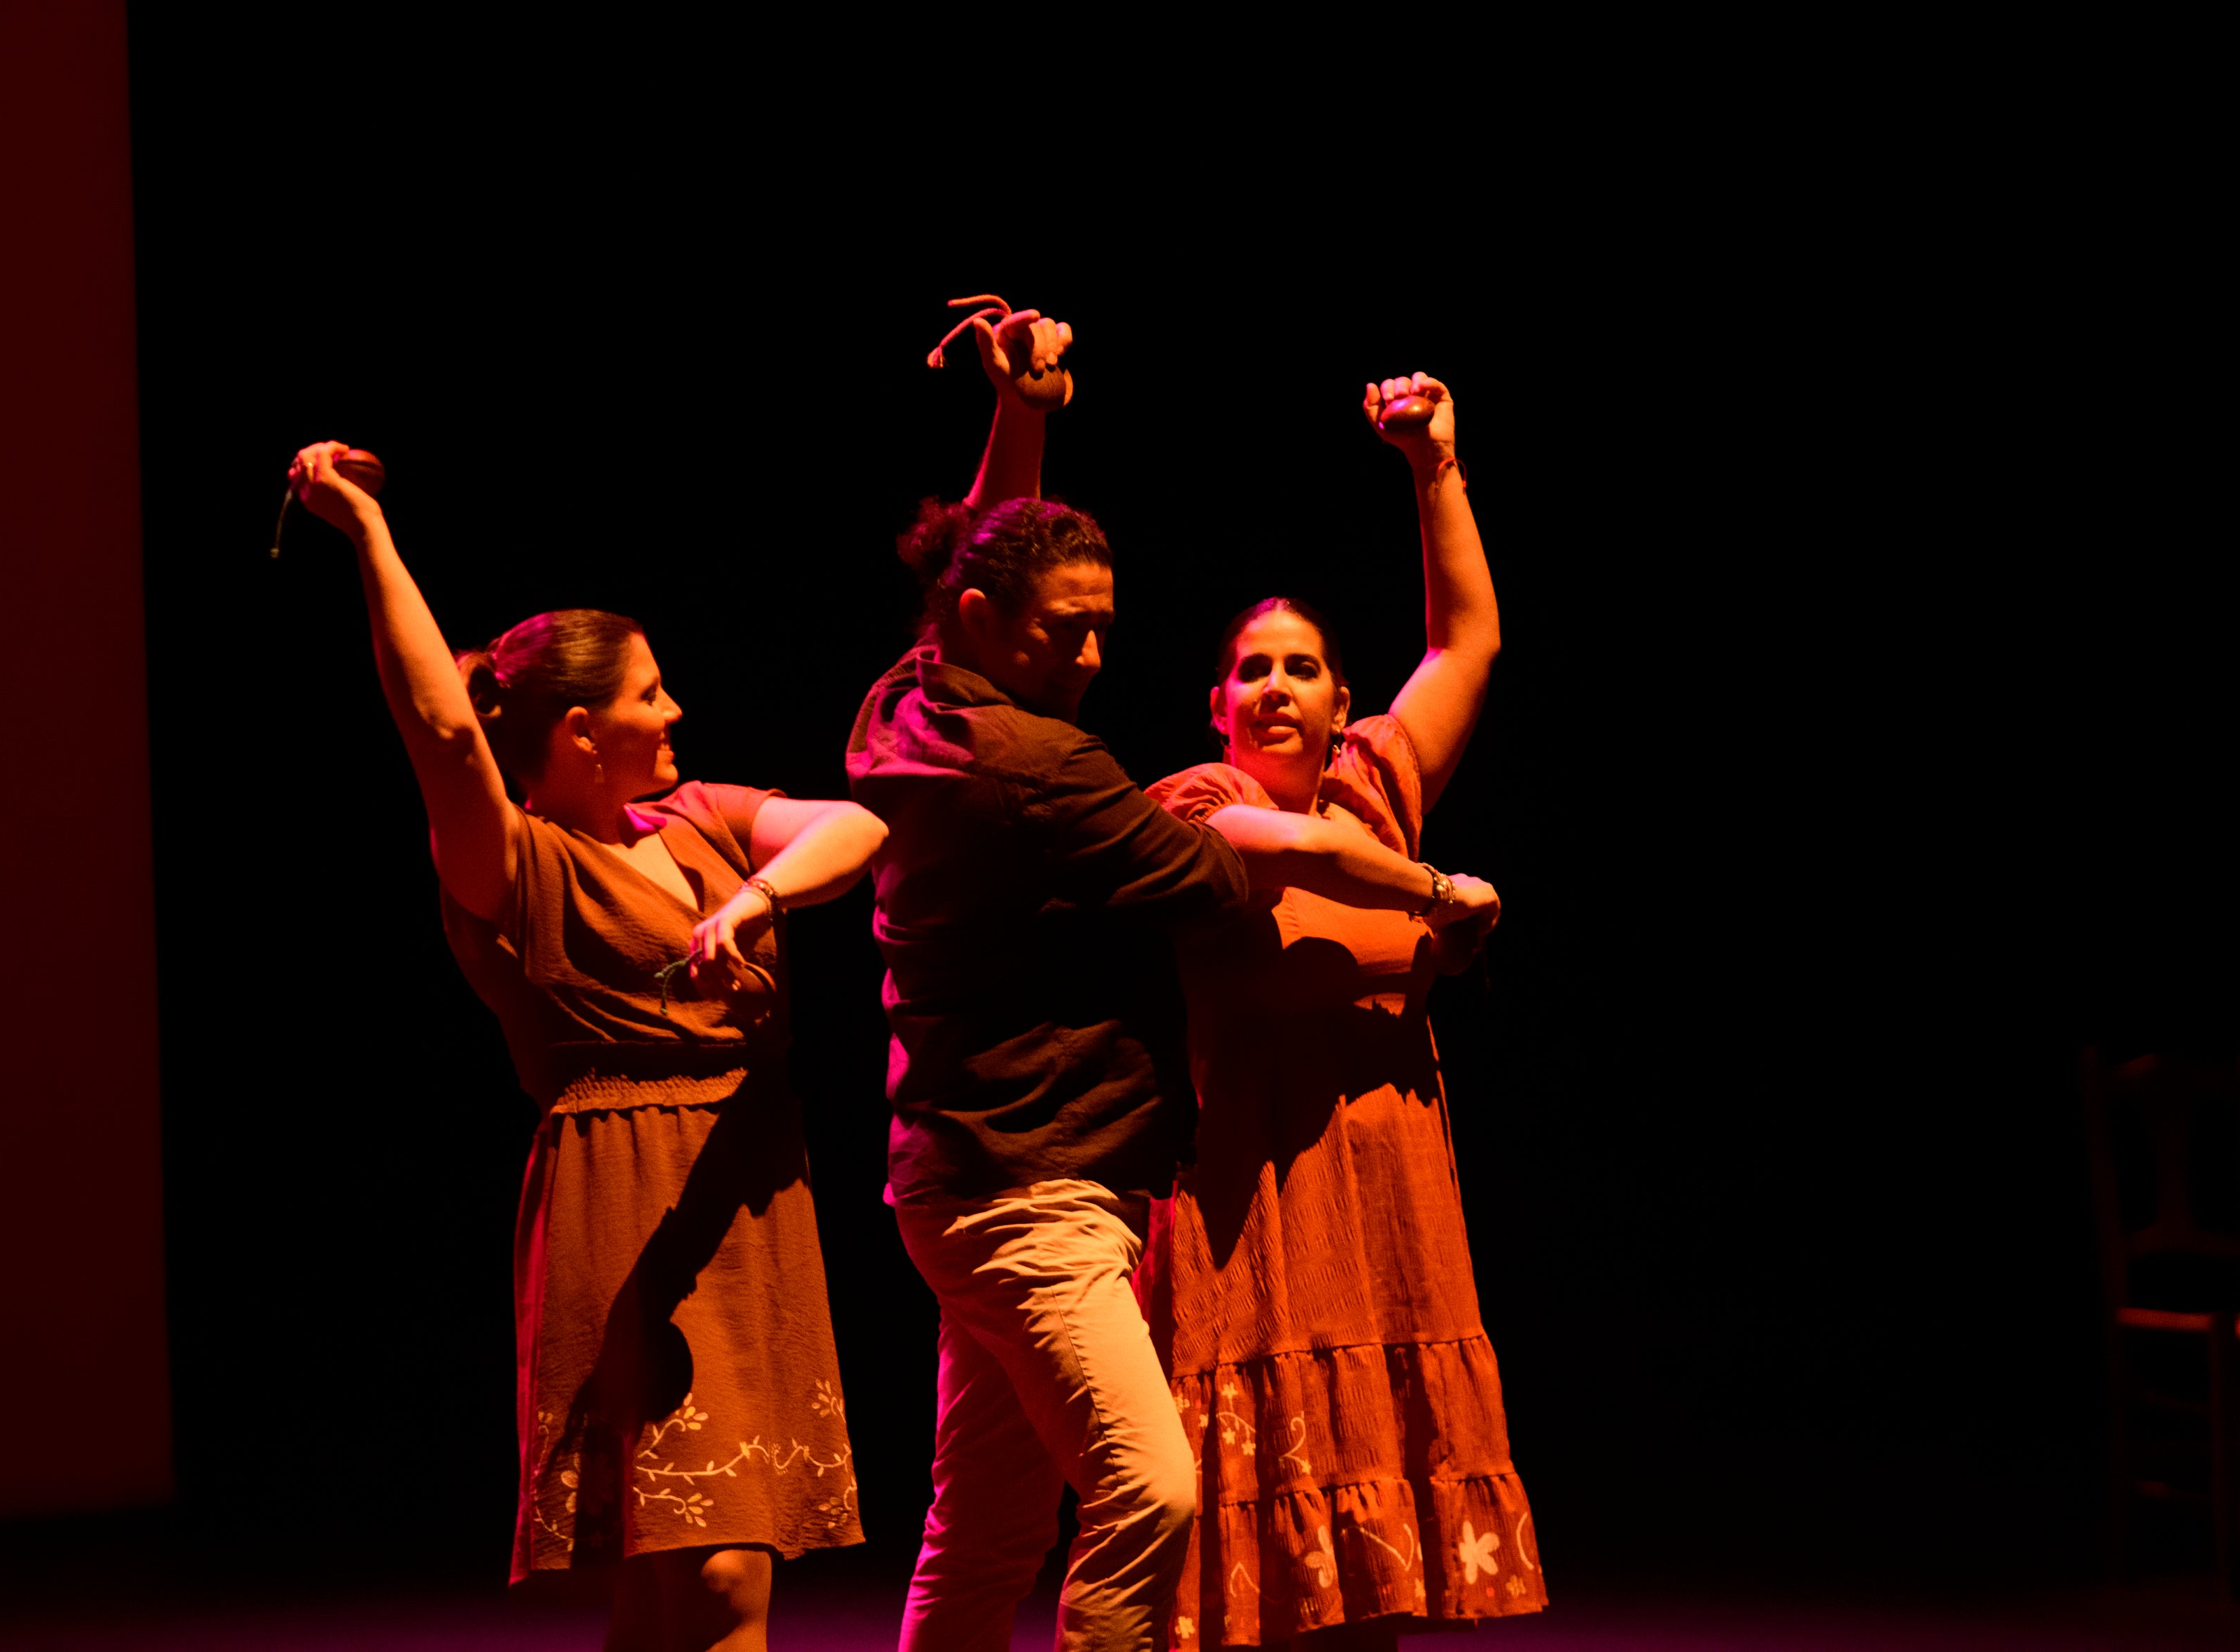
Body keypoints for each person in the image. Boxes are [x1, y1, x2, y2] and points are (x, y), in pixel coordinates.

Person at [851, 319, 1473, 1652]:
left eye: (1102, 631)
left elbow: (982, 553)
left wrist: (1018, 415)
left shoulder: (909, 704)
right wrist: (1422, 898)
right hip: (1035, 1187)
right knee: (1148, 1489)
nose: (1092, 661)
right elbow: (1224, 874)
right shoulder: (1056, 773)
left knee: (988, 1531)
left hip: (970, 1176)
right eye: (1070, 633)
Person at [290, 442, 879, 1652]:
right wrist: (366, 533)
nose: (674, 711)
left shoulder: (699, 816)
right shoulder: (512, 866)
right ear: (578, 727)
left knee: (677, 1588)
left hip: (751, 1192)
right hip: (628, 1194)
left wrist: (759, 901)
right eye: (650, 692)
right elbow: (444, 733)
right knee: (707, 1574)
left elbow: (858, 821)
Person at [1137, 373, 1543, 1646]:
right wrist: (1437, 892)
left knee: (1379, 1578)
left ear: (1337, 697)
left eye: (1300, 669)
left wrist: (1435, 466)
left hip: (1396, 1203)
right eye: (1250, 670)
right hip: (1256, 1212)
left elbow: (1467, 645)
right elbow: (1291, 858)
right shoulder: (1191, 809)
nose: (1274, 687)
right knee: (1259, 1579)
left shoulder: (1377, 786)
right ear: (1218, 705)